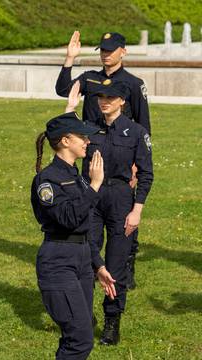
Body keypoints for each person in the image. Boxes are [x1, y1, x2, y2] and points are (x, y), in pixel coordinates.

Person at [56, 31, 150, 289]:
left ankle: (125, 266)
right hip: (93, 149)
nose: (106, 55)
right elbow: (63, 90)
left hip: (121, 155)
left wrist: (135, 165)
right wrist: (69, 59)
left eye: (111, 50)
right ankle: (92, 268)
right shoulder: (90, 79)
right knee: (92, 221)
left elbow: (144, 125)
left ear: (123, 51)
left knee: (122, 217)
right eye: (102, 50)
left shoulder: (133, 83)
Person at [31, 86, 116, 359]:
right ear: (66, 141)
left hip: (80, 259)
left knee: (80, 334)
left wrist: (98, 265)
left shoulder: (75, 176)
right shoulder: (48, 180)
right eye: (82, 137)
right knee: (79, 338)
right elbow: (68, 219)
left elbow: (83, 229)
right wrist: (94, 186)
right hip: (58, 261)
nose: (87, 142)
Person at [68, 79, 153, 345]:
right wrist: (70, 106)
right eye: (101, 97)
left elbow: (147, 174)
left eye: (110, 97)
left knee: (116, 264)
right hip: (92, 198)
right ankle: (84, 316)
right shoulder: (89, 131)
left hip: (120, 200)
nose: (104, 101)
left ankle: (112, 322)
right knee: (86, 258)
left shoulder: (136, 132)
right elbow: (65, 143)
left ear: (122, 101)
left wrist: (137, 210)